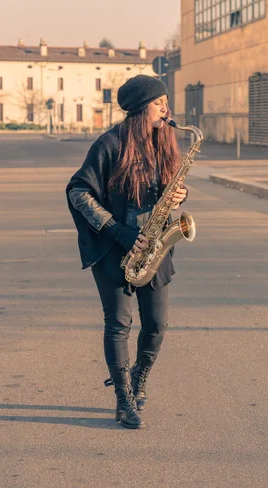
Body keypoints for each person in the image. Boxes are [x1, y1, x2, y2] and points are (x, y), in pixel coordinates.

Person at [66, 75, 187, 430]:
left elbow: (166, 190)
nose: (166, 108)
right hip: (113, 248)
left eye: (166, 101)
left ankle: (139, 378)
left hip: (154, 246)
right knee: (118, 324)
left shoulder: (164, 141)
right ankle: (123, 399)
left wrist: (180, 196)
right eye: (158, 103)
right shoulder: (110, 144)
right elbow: (79, 192)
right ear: (139, 109)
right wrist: (118, 232)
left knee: (156, 325)